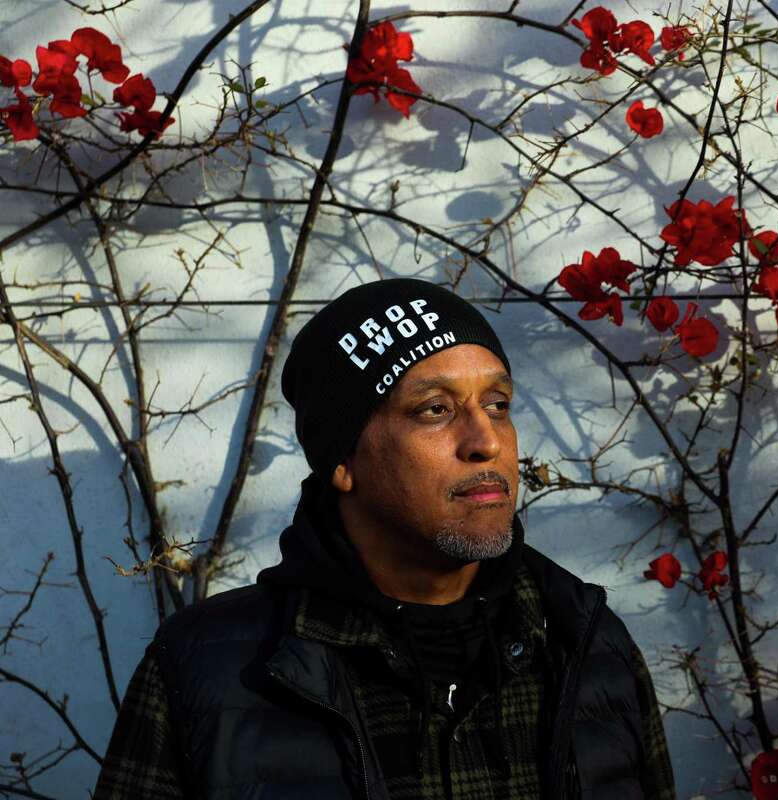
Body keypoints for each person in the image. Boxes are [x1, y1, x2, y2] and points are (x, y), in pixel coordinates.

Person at [92, 278, 676, 799]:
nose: (486, 441)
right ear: (343, 460)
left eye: (497, 404)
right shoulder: (214, 669)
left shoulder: (584, 641)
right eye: (434, 410)